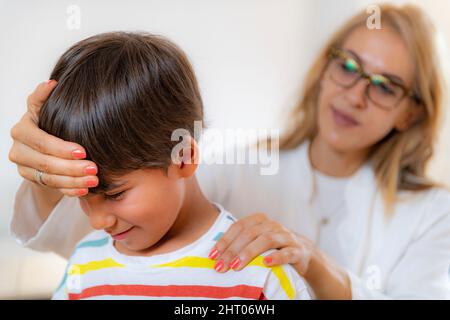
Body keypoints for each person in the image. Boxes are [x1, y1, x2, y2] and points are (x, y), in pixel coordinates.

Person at [9, 4, 450, 299]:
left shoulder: (434, 214)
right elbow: (101, 242)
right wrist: (49, 169)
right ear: (325, 68)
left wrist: (314, 264)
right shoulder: (230, 171)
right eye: (348, 66)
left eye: (385, 86)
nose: (355, 95)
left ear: (410, 114)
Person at [34, 31, 308, 300]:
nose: (96, 221)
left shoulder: (258, 272)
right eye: (82, 195)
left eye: (115, 194)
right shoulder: (84, 267)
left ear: (184, 157)